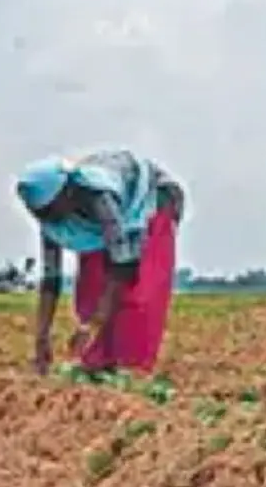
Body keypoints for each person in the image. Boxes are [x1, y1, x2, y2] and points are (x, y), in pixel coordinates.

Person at [15, 150, 184, 375]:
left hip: (149, 203)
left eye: (51, 212)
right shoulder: (51, 215)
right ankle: (96, 361)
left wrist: (93, 324)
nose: (49, 220)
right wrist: (42, 338)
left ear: (67, 194)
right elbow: (51, 277)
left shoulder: (100, 198)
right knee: (91, 286)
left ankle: (131, 367)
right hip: (100, 222)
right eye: (40, 214)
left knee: (138, 292)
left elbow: (124, 266)